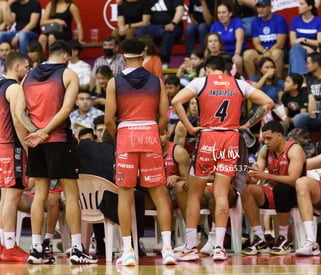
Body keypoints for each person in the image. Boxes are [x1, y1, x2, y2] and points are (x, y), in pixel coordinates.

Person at [172, 55, 274, 261]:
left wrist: (190, 127)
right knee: (221, 193)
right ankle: (219, 247)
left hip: (209, 136)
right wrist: (247, 124)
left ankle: (191, 246)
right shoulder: (239, 83)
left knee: (194, 193)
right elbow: (268, 102)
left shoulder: (201, 82)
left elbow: (175, 101)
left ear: (208, 70)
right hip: (231, 138)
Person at [15, 40, 97, 264]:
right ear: (66, 56)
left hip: (36, 141)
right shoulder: (69, 74)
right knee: (71, 193)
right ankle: (77, 250)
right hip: (59, 139)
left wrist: (36, 132)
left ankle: (35, 249)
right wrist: (45, 132)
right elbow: (66, 109)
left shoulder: (28, 77)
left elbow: (20, 112)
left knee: (40, 194)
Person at [105, 38, 176, 266]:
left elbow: (108, 120)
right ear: (143, 55)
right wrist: (157, 132)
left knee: (124, 195)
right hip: (150, 134)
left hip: (126, 134)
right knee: (160, 194)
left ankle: (127, 252)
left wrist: (121, 137)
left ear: (123, 55)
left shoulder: (115, 82)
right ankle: (167, 250)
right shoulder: (157, 81)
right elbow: (165, 117)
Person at [241, 121, 306, 256]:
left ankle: (283, 238)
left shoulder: (294, 149)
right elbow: (256, 176)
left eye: (269, 138)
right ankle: (259, 238)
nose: (265, 142)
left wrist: (267, 175)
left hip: (296, 193)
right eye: (264, 139)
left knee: (281, 189)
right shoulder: (265, 151)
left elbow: (294, 179)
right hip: (275, 190)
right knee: (246, 189)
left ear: (280, 136)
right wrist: (247, 175)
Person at [0, 52, 30, 262]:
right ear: (16, 66)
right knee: (12, 197)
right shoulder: (15, 88)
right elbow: (18, 120)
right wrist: (27, 148)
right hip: (13, 146)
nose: (28, 71)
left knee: (6, 197)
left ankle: (4, 245)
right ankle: (9, 247)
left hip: (2, 146)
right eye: (26, 67)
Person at [242, 0, 288, 79]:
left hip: (277, 50)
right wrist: (264, 53)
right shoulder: (255, 22)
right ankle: (253, 83)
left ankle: (278, 82)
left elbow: (280, 43)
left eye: (263, 7)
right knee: (247, 54)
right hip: (262, 51)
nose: (261, 9)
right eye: (259, 7)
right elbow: (256, 44)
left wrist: (267, 54)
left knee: (276, 53)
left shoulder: (279, 19)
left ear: (270, 7)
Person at [135, 0, 184, 69]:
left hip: (173, 27)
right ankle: (146, 58)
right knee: (140, 31)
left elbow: (180, 10)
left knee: (168, 34)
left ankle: (163, 60)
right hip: (156, 28)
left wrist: (173, 23)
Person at [210, 2, 248, 74]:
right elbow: (210, 41)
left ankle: (238, 80)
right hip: (222, 54)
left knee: (237, 60)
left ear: (230, 13)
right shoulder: (215, 25)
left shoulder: (237, 22)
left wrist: (236, 54)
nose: (221, 15)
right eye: (219, 13)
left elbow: (239, 40)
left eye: (224, 12)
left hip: (237, 52)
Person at [289, 0, 321, 74]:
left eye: (302, 4)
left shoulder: (319, 21)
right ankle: (302, 76)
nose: (299, 6)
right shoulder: (295, 20)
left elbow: (320, 43)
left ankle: (297, 78)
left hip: (313, 51)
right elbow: (293, 42)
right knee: (296, 49)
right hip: (300, 49)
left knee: (294, 52)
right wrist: (306, 47)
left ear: (310, 7)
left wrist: (303, 39)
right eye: (299, 4)